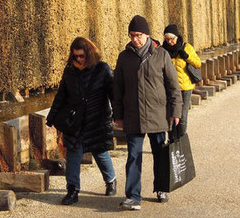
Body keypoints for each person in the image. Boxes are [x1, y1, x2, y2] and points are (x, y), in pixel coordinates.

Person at [113, 15, 182, 210]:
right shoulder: (124, 57)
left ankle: (162, 188)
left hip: (157, 114)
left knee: (160, 154)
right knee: (133, 156)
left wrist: (176, 111)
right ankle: (133, 196)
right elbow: (117, 88)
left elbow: (173, 87)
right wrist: (118, 115)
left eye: (139, 35)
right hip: (133, 114)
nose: (135, 39)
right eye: (132, 35)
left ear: (147, 34)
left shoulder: (161, 55)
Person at [46, 37, 116, 205]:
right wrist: (51, 117)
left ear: (89, 54)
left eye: (82, 56)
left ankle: (111, 180)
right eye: (75, 56)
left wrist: (119, 116)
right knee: (73, 155)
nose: (78, 59)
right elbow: (61, 95)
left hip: (97, 120)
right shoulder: (70, 70)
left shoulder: (103, 69)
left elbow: (113, 95)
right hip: (76, 121)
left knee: (100, 153)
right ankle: (72, 190)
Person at [162, 24, 201, 138]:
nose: (169, 42)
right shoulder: (163, 50)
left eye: (172, 39)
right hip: (170, 88)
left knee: (182, 117)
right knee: (170, 116)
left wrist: (186, 56)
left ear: (177, 37)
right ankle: (172, 140)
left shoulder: (186, 47)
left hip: (185, 88)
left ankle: (182, 140)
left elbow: (198, 63)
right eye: (167, 39)